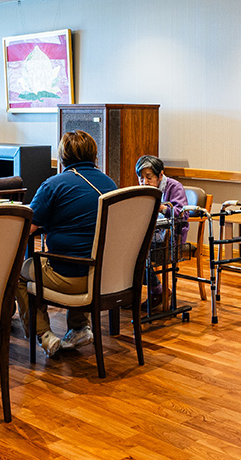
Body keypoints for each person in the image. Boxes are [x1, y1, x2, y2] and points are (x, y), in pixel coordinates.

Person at [16, 130, 117, 356]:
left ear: (62, 157)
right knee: (83, 253)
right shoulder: (109, 183)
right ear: (94, 154)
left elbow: (26, 229)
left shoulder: (53, 185)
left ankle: (44, 334)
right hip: (103, 276)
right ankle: (80, 328)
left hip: (69, 279)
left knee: (18, 274)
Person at [136, 155, 187, 309]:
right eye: (141, 178)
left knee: (137, 254)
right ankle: (137, 293)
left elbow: (183, 214)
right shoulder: (144, 189)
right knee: (126, 253)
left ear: (160, 175)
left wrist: (162, 208)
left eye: (149, 177)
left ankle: (157, 290)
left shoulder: (174, 187)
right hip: (150, 235)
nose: (144, 182)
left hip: (172, 238)